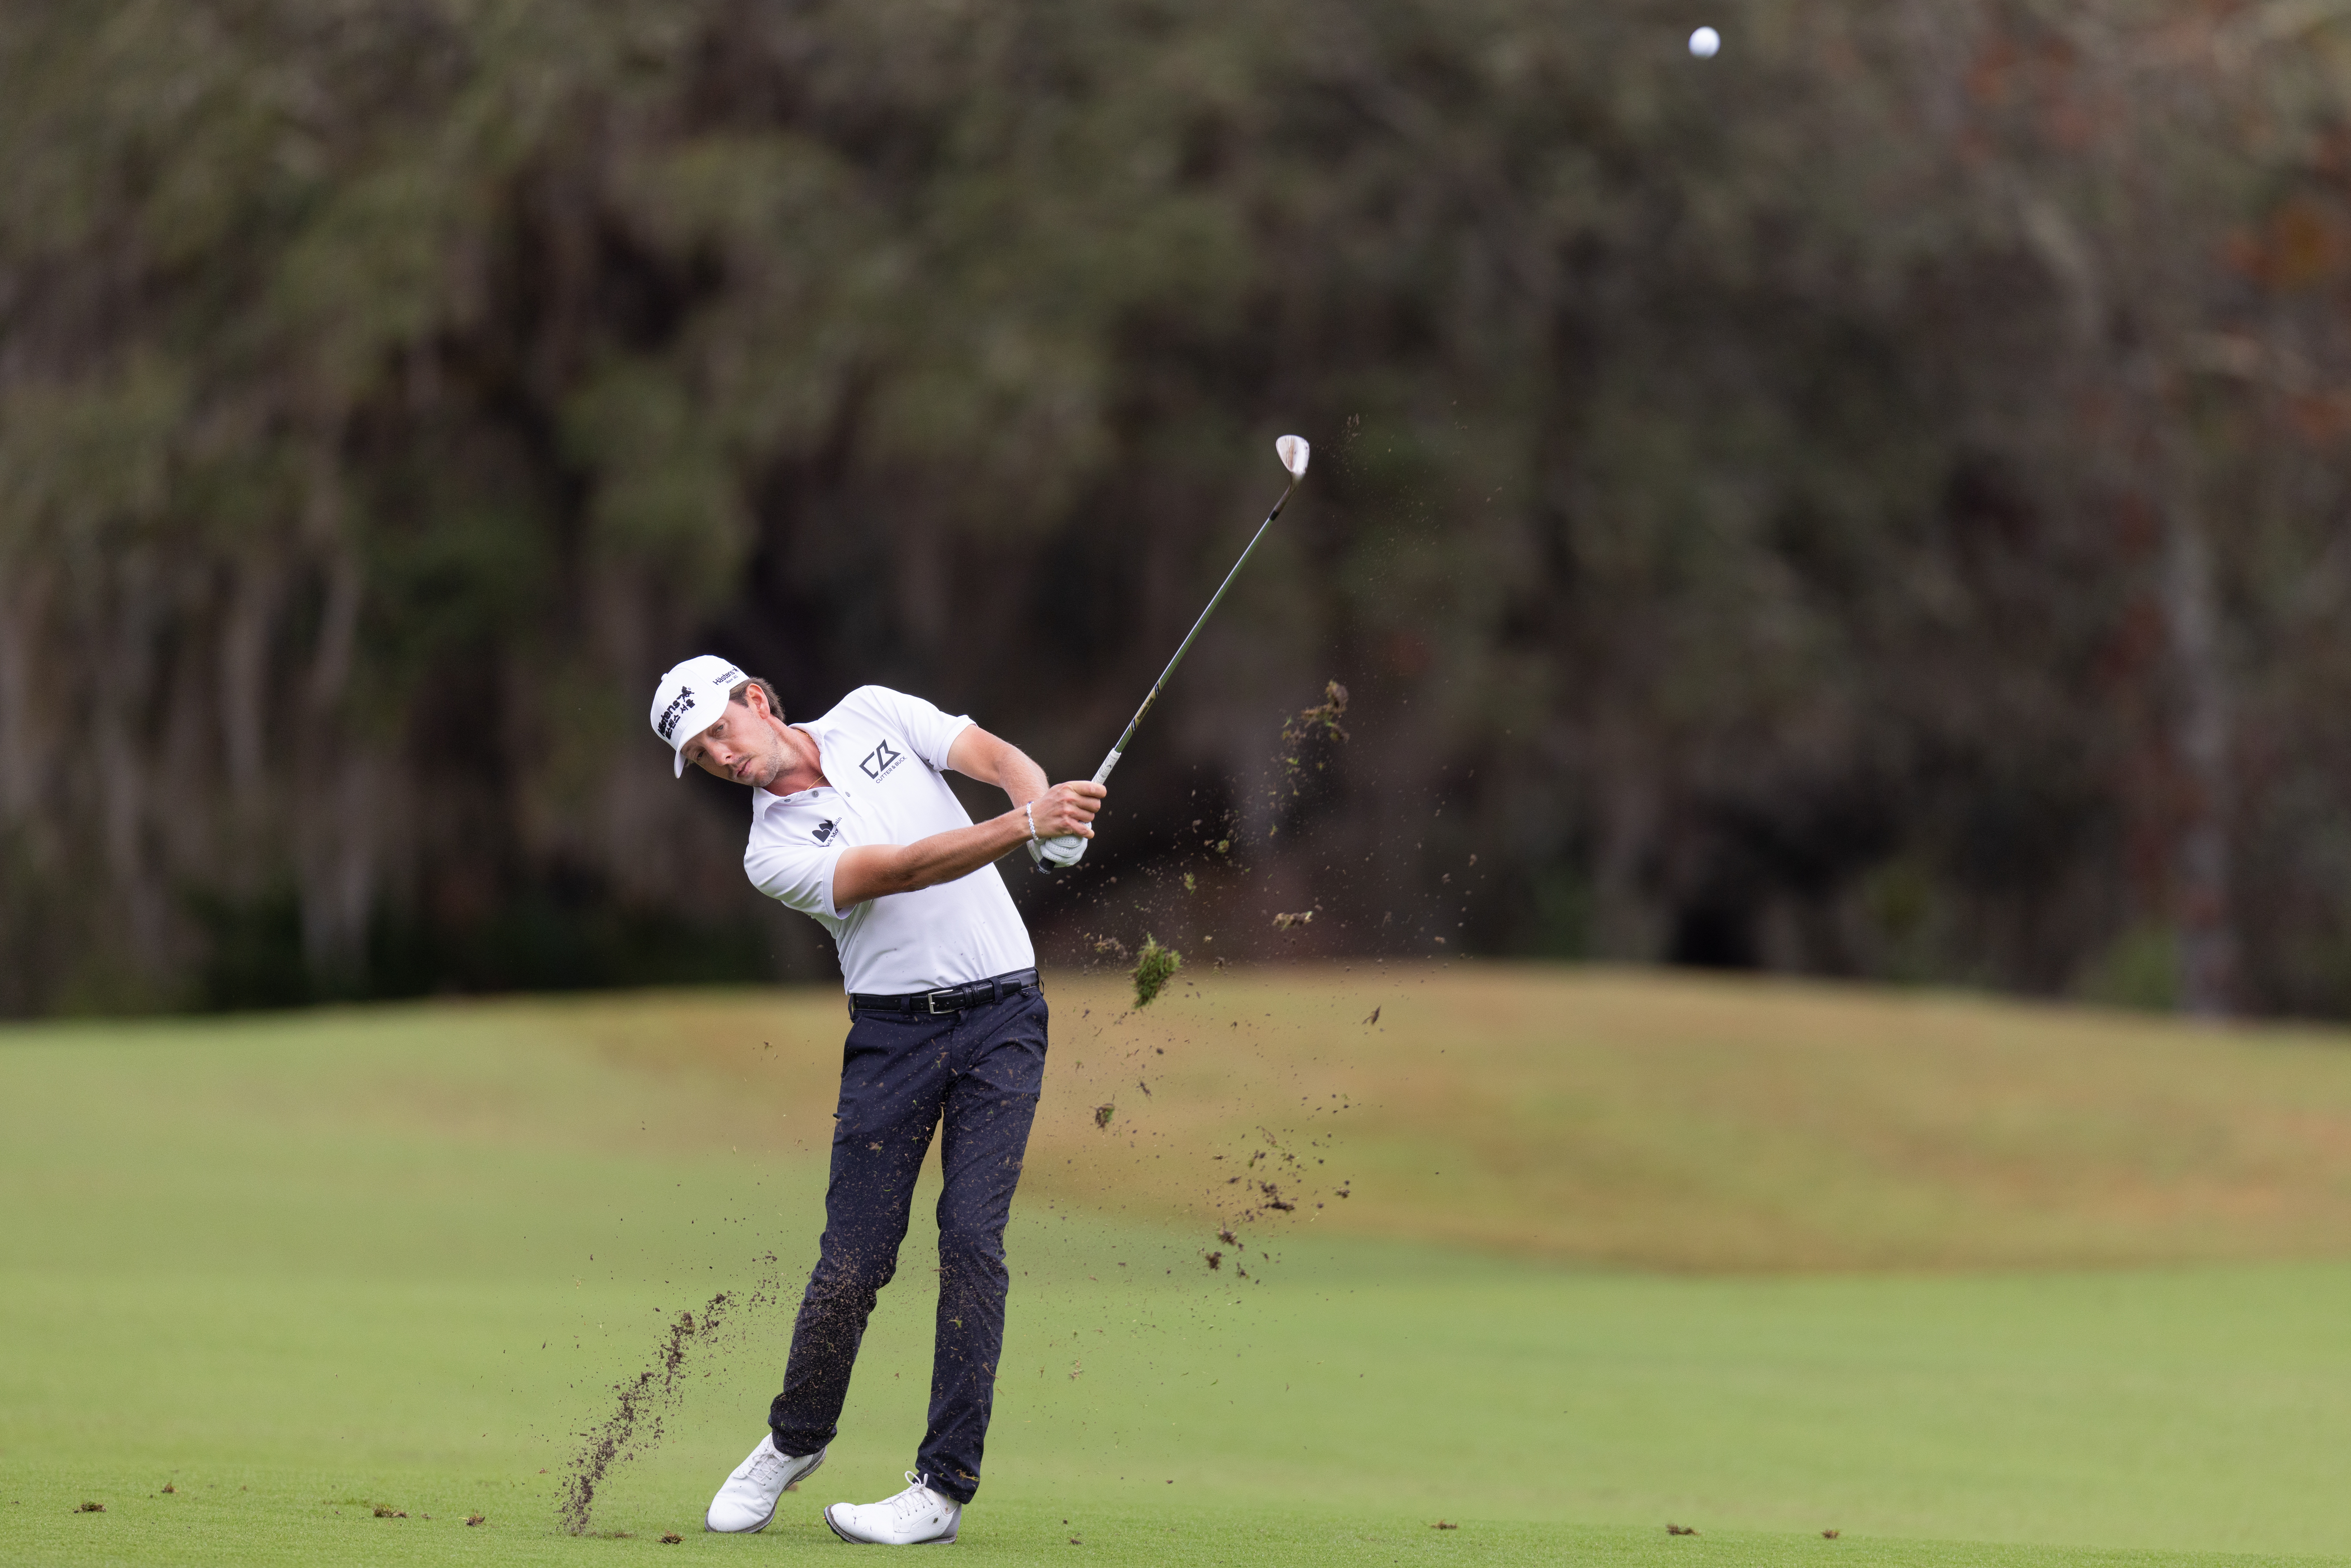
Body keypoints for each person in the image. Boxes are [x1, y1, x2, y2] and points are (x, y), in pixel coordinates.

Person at [646, 655, 1104, 1545]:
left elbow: (997, 757)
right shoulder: (769, 853)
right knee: (853, 1263)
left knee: (972, 1238)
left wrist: (1046, 817)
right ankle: (795, 1439)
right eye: (699, 755)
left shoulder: (873, 712)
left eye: (719, 731)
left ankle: (942, 1488)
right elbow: (901, 870)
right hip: (894, 1041)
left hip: (1006, 1016)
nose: (720, 757)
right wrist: (1026, 824)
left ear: (757, 700)